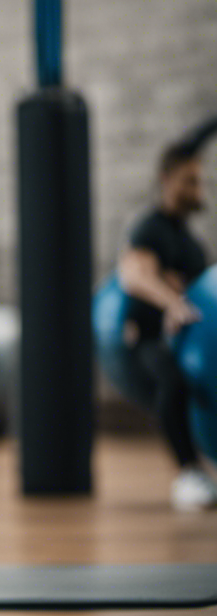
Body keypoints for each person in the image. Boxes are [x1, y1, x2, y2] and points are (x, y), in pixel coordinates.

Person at [116, 114, 217, 511]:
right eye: (190, 181)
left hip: (190, 340)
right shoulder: (150, 227)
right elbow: (133, 277)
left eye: (200, 180)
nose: (198, 189)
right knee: (174, 382)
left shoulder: (192, 243)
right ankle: (188, 475)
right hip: (148, 337)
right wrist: (172, 301)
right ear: (167, 181)